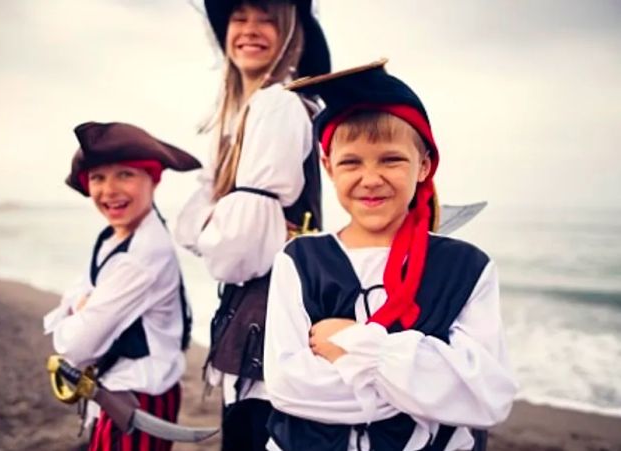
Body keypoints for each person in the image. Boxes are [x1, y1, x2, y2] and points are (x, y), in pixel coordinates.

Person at [263, 60, 517, 450]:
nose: (370, 178)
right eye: (351, 162)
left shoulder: (466, 267)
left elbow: (486, 396)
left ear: (424, 165)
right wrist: (417, 391)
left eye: (391, 159)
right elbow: (287, 387)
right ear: (329, 167)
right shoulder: (299, 260)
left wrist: (358, 346)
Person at [174, 0, 330, 449]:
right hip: (253, 318)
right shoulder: (242, 115)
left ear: (291, 34)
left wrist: (222, 230)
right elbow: (190, 230)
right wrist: (223, 230)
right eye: (239, 18)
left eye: (267, 19)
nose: (250, 29)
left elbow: (234, 255)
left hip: (271, 324)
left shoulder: (277, 105)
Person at [43, 121, 201, 451]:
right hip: (115, 388)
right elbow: (74, 295)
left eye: (125, 175)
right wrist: (81, 304)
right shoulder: (113, 237)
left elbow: (75, 347)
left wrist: (79, 310)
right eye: (98, 178)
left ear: (152, 179)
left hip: (139, 396)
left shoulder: (142, 255)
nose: (109, 190)